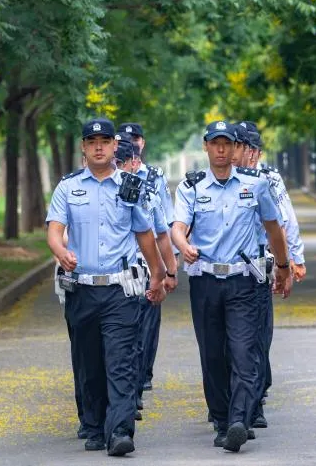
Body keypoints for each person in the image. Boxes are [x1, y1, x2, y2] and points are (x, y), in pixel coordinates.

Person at [46, 118, 166, 457]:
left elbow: (145, 235)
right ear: (83, 148)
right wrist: (61, 252)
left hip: (119, 291)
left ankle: (120, 431)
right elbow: (54, 231)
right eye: (91, 141)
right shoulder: (68, 187)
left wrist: (158, 274)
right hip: (82, 289)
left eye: (104, 141)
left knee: (121, 362)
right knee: (89, 364)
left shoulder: (130, 186)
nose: (98, 147)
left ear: (115, 146)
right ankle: (95, 426)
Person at [171, 120, 293, 453]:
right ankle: (223, 420)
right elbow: (178, 227)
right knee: (212, 355)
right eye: (215, 143)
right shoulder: (192, 187)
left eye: (227, 143)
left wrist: (284, 266)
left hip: (244, 281)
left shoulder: (256, 185)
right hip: (205, 281)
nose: (222, 149)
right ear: (206, 147)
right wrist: (183, 246)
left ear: (236, 147)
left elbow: (274, 228)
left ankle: (240, 419)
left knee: (244, 352)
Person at [237, 122, 306, 431]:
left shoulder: (269, 178)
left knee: (258, 334)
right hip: (228, 268)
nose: (244, 154)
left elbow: (286, 221)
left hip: (261, 266)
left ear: (256, 152)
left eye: (249, 149)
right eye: (240, 147)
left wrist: (293, 261)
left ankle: (257, 397)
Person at [113, 138, 179, 420]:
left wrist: (167, 271)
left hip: (140, 275)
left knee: (138, 337)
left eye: (120, 163)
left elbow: (162, 233)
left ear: (134, 163)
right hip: (107, 279)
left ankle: (133, 393)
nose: (116, 169)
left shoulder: (146, 193)